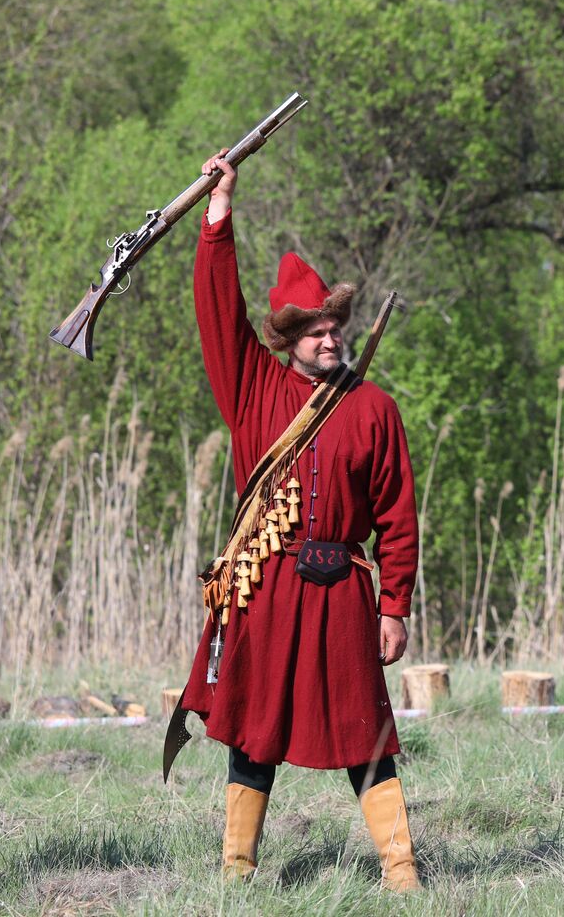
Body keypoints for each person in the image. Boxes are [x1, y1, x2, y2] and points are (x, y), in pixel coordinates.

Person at [177, 151, 421, 890]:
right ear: (287, 336)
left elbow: (398, 516)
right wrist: (219, 213)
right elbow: (218, 309)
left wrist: (395, 604)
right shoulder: (252, 385)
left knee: (364, 731)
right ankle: (236, 867)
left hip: (344, 588)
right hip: (266, 587)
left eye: (335, 325)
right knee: (251, 727)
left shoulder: (374, 407)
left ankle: (402, 868)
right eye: (312, 329)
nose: (329, 337)